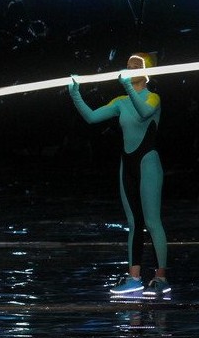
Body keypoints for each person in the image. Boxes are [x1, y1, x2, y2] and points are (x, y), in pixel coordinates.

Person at [69, 53, 169, 297]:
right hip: (127, 165)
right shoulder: (120, 101)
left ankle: (161, 278)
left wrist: (128, 87)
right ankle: (134, 278)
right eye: (128, 66)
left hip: (148, 164)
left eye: (136, 67)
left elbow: (144, 113)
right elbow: (91, 117)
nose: (130, 69)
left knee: (152, 221)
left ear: (147, 73)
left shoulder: (153, 98)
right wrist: (75, 94)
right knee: (134, 223)